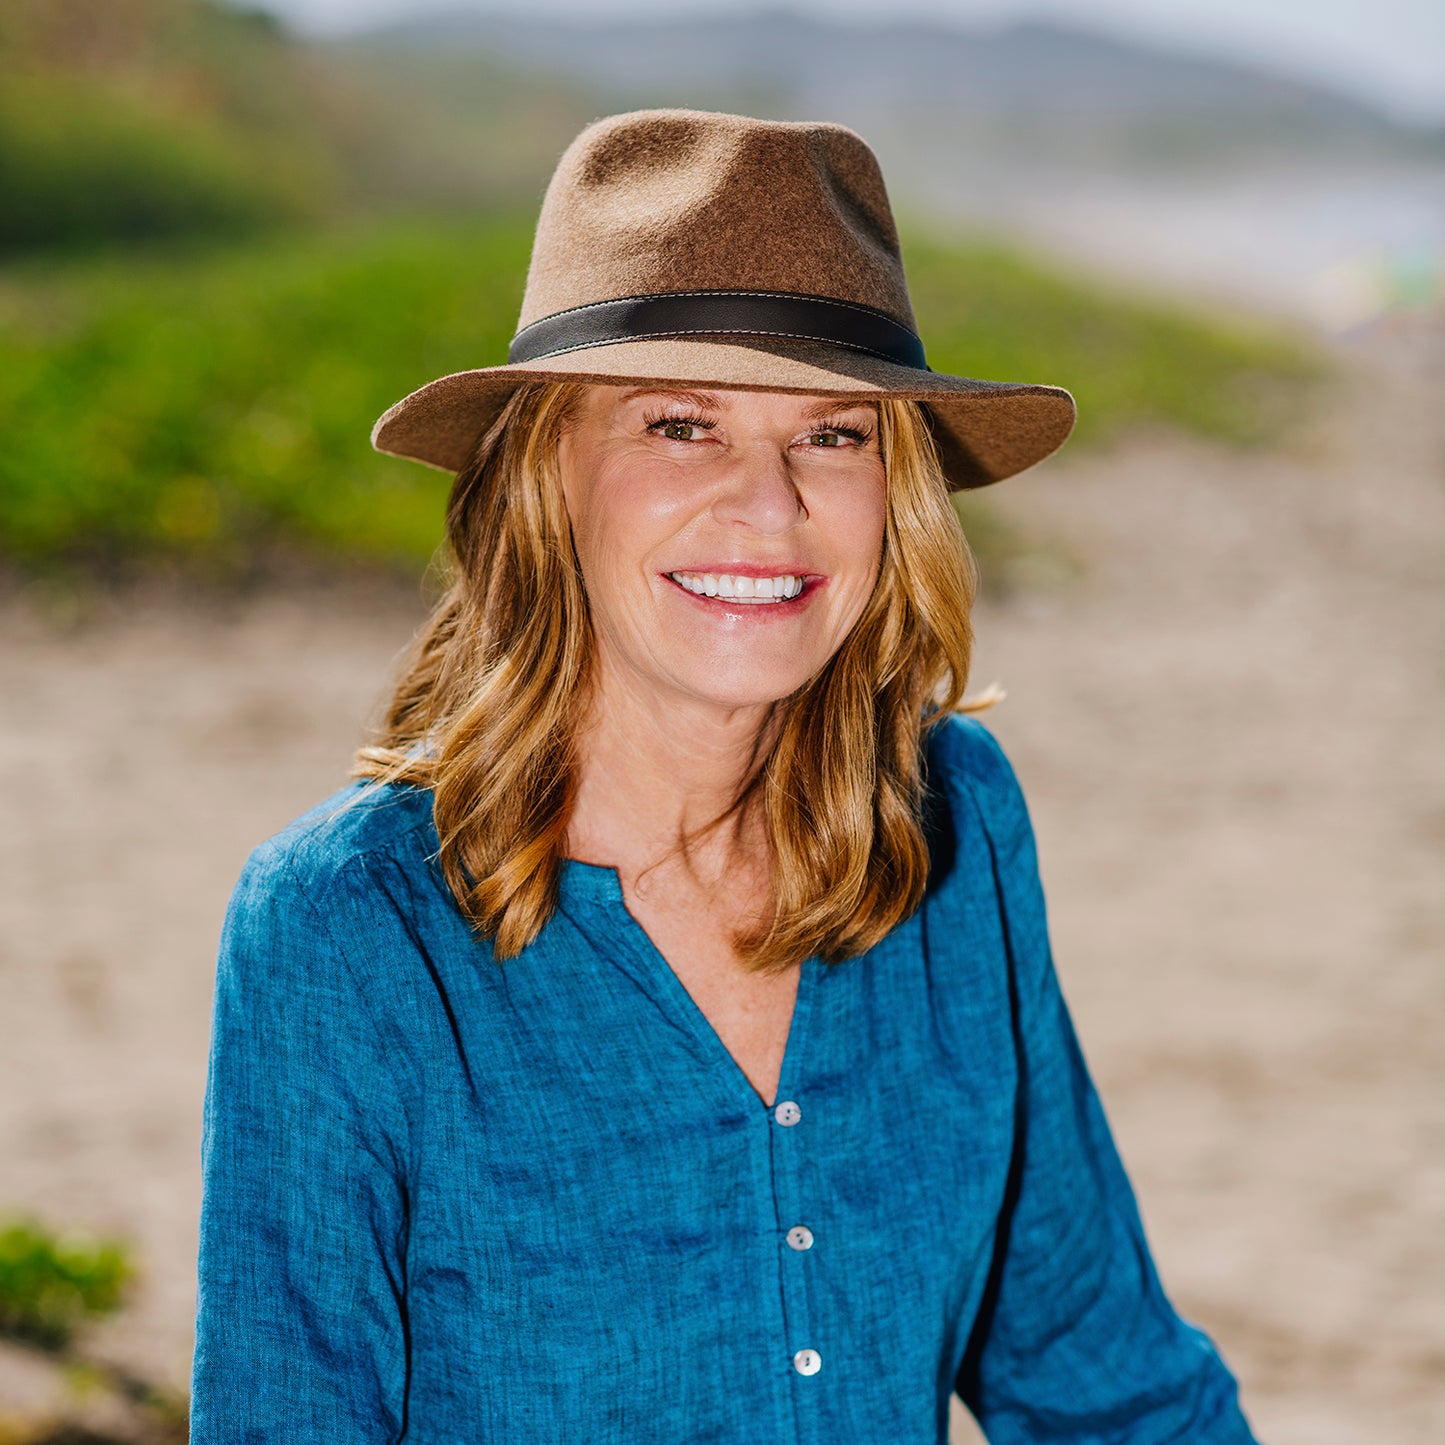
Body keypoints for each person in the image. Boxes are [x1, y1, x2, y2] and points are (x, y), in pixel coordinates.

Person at [190, 109, 1260, 1443]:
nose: (768, 504)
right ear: (547, 474)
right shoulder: (345, 925)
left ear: (895, 491)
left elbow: (1103, 1371)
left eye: (834, 435)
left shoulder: (954, 820)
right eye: (681, 423)